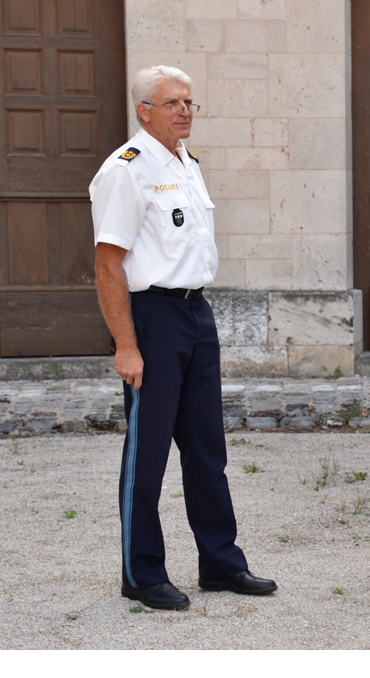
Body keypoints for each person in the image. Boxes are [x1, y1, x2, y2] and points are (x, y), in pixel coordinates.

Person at [90, 65, 277, 610]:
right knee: (147, 453)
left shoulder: (186, 164)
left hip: (197, 314)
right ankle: (141, 572)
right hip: (152, 319)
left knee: (206, 449)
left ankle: (220, 563)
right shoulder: (126, 170)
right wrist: (126, 345)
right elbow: (107, 266)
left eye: (190, 103)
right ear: (143, 110)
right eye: (172, 103)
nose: (183, 112)